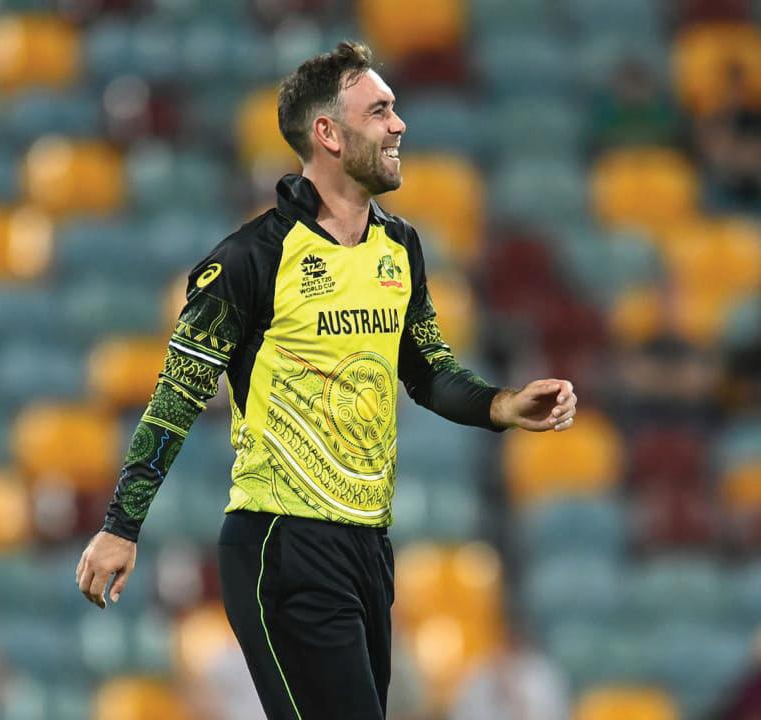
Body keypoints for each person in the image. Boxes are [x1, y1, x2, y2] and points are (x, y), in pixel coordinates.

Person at [74, 41, 578, 720]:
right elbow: (176, 398)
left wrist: (503, 404)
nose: (399, 125)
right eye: (379, 111)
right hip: (282, 546)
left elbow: (427, 370)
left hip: (368, 549)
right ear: (329, 134)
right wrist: (121, 526)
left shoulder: (400, 247)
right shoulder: (249, 260)